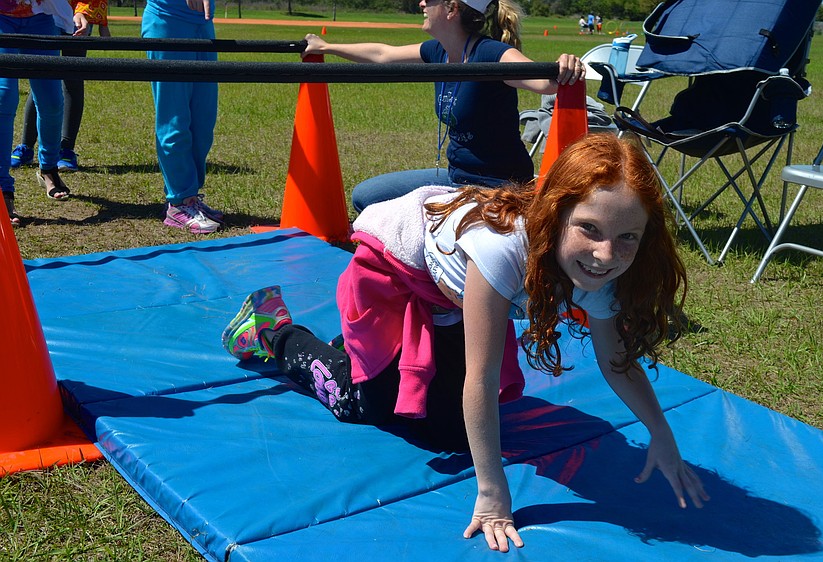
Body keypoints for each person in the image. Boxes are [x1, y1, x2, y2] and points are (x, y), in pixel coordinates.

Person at [221, 134, 710, 552]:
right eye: (590, 229)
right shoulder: (505, 249)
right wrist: (493, 491)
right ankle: (274, 331)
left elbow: (617, 363)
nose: (606, 254)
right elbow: (481, 376)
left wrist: (661, 435)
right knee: (359, 400)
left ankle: (369, 353)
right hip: (394, 270)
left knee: (452, 434)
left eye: (628, 237)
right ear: (557, 214)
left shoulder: (598, 270)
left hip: (453, 296)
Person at [302, 0, 585, 213]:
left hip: (497, 188)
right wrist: (326, 46)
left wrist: (562, 67)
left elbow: (543, 82)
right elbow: (383, 54)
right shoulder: (438, 51)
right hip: (454, 178)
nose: (422, 3)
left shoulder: (490, 53)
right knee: (366, 197)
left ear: (451, 9)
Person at [142, 0, 223, 234]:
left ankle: (191, 196)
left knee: (203, 121)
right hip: (167, 21)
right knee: (174, 119)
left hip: (203, 25)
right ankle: (179, 202)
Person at [1, 0, 84, 226]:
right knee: (4, 98)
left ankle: (48, 168)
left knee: (52, 102)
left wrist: (80, 10)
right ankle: (2, 190)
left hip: (41, 18)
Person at [11, 0, 110, 174]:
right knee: (42, 78)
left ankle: (66, 149)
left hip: (80, 14)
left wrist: (93, 17)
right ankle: (26, 146)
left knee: (72, 78)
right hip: (44, 12)